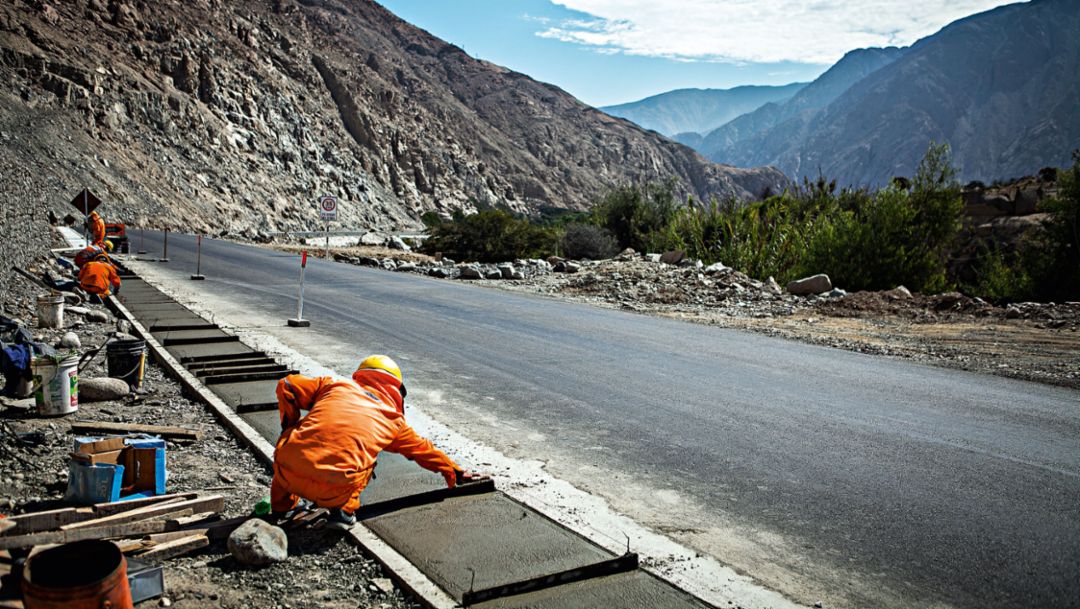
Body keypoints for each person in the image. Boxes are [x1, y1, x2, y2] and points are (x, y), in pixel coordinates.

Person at [271, 355, 480, 530]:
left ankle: (283, 506)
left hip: (285, 472)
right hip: (335, 489)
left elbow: (287, 385)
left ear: (361, 374)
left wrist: (289, 428)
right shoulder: (393, 420)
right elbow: (424, 451)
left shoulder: (334, 385)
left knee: (293, 444)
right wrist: (455, 472)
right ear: (396, 388)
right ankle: (343, 511)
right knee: (368, 461)